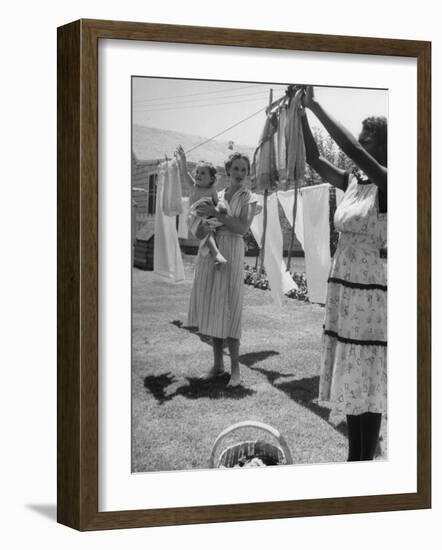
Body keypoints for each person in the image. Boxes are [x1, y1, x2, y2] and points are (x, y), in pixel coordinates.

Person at [301, 86, 387, 461]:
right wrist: (299, 114)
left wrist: (315, 104)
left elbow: (350, 149)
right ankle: (360, 456)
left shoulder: (390, 183)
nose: (361, 145)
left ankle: (362, 458)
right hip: (346, 287)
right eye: (362, 137)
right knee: (354, 374)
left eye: (369, 141)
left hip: (370, 291)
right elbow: (314, 158)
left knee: (365, 372)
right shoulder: (355, 183)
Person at [187, 152, 260, 387]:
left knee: (231, 306)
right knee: (215, 307)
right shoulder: (214, 195)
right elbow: (199, 229)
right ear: (228, 171)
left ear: (247, 173)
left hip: (233, 250)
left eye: (244, 169)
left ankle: (236, 370)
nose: (240, 173)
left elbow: (241, 228)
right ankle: (218, 366)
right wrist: (200, 223)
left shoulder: (250, 198)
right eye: (236, 169)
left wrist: (216, 214)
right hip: (212, 250)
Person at [175, 145, 228, 265]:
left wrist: (220, 207)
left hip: (207, 219)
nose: (198, 175)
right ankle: (216, 253)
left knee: (211, 232)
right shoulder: (193, 186)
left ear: (211, 179)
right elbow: (184, 172)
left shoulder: (211, 190)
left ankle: (214, 256)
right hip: (194, 218)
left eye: (203, 173)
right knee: (207, 231)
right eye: (197, 172)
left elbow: (217, 201)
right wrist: (183, 159)